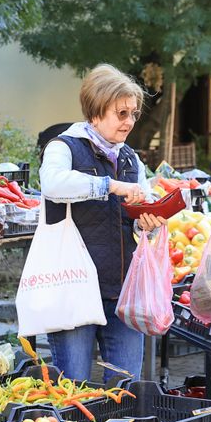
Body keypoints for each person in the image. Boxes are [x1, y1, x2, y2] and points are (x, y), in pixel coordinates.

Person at [38, 64, 165, 383]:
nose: (129, 122)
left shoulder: (130, 159)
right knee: (73, 390)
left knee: (126, 391)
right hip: (72, 291)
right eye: (121, 113)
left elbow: (139, 214)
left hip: (122, 293)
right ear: (95, 112)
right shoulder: (62, 147)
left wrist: (147, 223)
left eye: (133, 114)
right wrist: (109, 186)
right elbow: (52, 184)